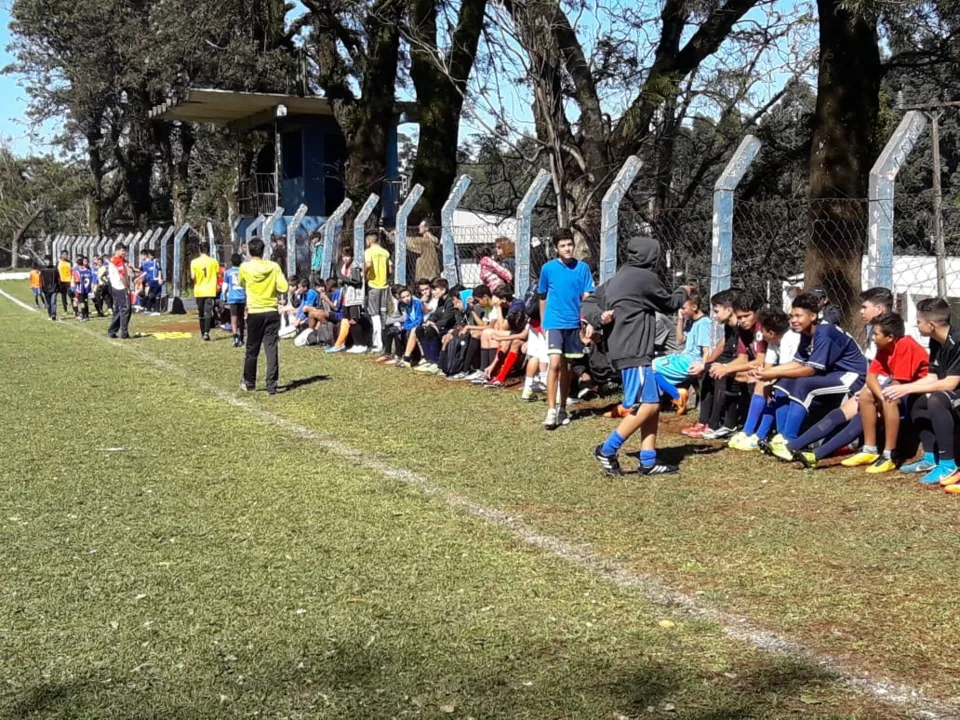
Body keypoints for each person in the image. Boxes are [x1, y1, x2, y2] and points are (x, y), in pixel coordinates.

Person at [585, 236, 688, 475]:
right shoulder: (644, 278)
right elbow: (670, 303)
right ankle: (607, 449)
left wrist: (599, 318)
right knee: (648, 404)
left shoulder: (617, 279)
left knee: (650, 405)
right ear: (651, 257)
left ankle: (648, 460)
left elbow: (589, 302)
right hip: (634, 349)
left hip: (625, 349)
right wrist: (685, 291)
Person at [754, 292, 866, 459]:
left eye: (798, 316)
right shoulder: (806, 335)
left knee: (803, 385)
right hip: (833, 373)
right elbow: (798, 363)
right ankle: (782, 437)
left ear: (813, 316)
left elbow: (811, 370)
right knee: (783, 382)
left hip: (853, 376)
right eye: (791, 316)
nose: (793, 320)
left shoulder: (824, 333)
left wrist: (773, 371)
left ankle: (790, 441)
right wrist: (768, 373)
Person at [879, 298, 960, 488]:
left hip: (953, 390)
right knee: (917, 399)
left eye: (919, 321)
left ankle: (948, 464)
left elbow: (950, 383)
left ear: (931, 325)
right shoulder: (936, 341)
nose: (916, 325)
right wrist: (903, 390)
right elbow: (932, 377)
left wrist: (906, 387)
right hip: (953, 391)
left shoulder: (957, 341)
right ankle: (930, 457)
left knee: (937, 400)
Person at [838, 312, 929, 474]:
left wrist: (883, 399)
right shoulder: (884, 347)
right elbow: (871, 378)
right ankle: (870, 449)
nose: (873, 338)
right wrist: (879, 397)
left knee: (889, 398)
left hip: (918, 392)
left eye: (876, 334)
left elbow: (898, 383)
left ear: (890, 337)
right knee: (867, 394)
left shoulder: (905, 345)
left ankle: (890, 455)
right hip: (900, 389)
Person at [538, 228, 595, 430]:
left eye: (569, 244)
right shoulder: (548, 269)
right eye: (562, 246)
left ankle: (563, 407)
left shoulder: (582, 269)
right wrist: (544, 323)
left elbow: (587, 296)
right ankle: (551, 410)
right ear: (556, 248)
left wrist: (586, 322)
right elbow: (542, 296)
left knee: (566, 367)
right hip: (554, 323)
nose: (567, 248)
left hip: (573, 324)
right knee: (553, 363)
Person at [705, 291, 767, 441]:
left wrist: (726, 368)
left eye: (747, 316)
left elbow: (760, 361)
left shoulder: (761, 328)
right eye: (740, 317)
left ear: (756, 313)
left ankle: (757, 428)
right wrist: (723, 368)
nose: (743, 320)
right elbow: (742, 358)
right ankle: (730, 424)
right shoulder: (743, 330)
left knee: (751, 377)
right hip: (758, 367)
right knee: (730, 373)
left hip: (771, 367)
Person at [728, 308, 791, 451]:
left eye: (762, 330)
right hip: (784, 373)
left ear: (771, 333)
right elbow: (768, 366)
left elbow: (787, 369)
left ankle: (761, 435)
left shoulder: (789, 340)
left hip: (795, 376)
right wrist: (762, 374)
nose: (760, 334)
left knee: (776, 389)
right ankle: (748, 431)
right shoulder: (774, 342)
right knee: (762, 382)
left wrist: (768, 379)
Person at [239, 238, 289, 395]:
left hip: (255, 311)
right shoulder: (273, 267)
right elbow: (284, 286)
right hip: (271, 311)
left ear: (249, 251)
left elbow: (242, 283)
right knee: (271, 347)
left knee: (252, 348)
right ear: (263, 250)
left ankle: (249, 382)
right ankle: (271, 384)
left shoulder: (245, 267)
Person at [650, 290, 712, 415]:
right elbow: (680, 340)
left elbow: (707, 350)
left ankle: (676, 395)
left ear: (694, 307)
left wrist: (702, 367)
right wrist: (680, 319)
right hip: (683, 357)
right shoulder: (691, 321)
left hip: (690, 361)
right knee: (650, 368)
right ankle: (669, 397)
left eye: (683, 308)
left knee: (652, 367)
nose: (681, 310)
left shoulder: (704, 323)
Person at [412, 278, 457, 373]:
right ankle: (428, 359)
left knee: (430, 330)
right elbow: (435, 314)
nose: (433, 292)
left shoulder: (450, 301)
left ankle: (435, 361)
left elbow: (448, 318)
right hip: (441, 326)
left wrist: (435, 324)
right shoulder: (441, 300)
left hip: (450, 327)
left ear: (443, 290)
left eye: (435, 289)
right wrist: (429, 321)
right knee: (420, 329)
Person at [364, 232, 392, 353]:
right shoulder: (385, 252)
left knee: (374, 314)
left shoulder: (369, 251)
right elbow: (390, 269)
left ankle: (377, 342)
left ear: (369, 241)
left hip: (373, 284)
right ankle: (386, 340)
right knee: (383, 313)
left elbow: (368, 264)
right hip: (384, 285)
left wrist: (364, 274)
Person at [190, 241, 220, 341]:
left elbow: (193, 276)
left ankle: (203, 331)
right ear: (209, 250)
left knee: (201, 312)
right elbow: (217, 274)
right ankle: (207, 332)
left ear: (199, 250)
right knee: (208, 311)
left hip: (199, 290)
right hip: (210, 290)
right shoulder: (213, 261)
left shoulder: (194, 262)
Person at [859, 286, 894, 359]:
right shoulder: (873, 329)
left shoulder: (902, 333)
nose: (861, 311)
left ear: (879, 309)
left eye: (864, 307)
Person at [106, 243, 132, 339]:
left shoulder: (113, 260)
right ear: (117, 250)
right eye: (123, 250)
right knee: (126, 309)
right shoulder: (118, 261)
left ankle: (112, 331)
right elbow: (121, 276)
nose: (124, 253)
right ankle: (123, 332)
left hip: (114, 287)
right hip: (121, 287)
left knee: (118, 310)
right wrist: (127, 287)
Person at [221, 253, 247, 347]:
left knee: (233, 317)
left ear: (231, 262)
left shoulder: (228, 272)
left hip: (232, 297)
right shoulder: (243, 271)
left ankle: (235, 336)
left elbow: (225, 286)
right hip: (242, 297)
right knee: (241, 318)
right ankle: (242, 338)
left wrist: (223, 295)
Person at [140, 248, 164, 315]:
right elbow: (145, 271)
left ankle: (154, 310)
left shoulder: (156, 261)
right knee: (152, 295)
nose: (150, 256)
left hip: (155, 280)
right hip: (150, 281)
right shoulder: (147, 263)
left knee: (152, 294)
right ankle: (153, 309)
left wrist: (160, 278)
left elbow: (159, 270)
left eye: (150, 255)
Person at [72, 256, 94, 321]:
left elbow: (77, 280)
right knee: (85, 301)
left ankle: (83, 316)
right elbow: (91, 279)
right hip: (87, 289)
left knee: (81, 302)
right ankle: (85, 315)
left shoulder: (77, 271)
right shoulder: (88, 270)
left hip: (80, 289)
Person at [40, 256, 60, 320]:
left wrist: (59, 287)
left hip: (54, 288)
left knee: (53, 302)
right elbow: (40, 279)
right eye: (46, 260)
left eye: (49, 260)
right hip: (46, 289)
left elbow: (58, 278)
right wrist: (41, 288)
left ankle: (53, 314)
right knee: (49, 304)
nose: (48, 262)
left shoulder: (55, 269)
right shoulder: (42, 269)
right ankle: (49, 314)